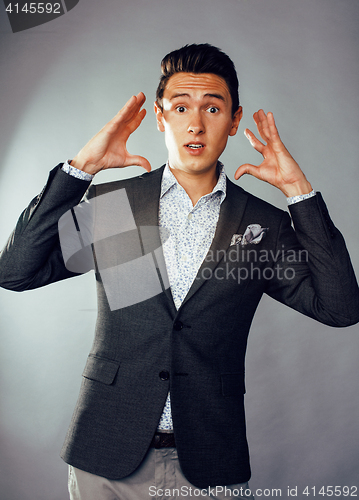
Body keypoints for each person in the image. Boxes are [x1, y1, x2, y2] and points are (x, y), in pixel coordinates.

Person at [0, 44, 358, 500]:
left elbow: (341, 307)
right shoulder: (119, 207)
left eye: (212, 107)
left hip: (210, 463)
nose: (196, 122)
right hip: (105, 458)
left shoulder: (263, 226)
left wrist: (298, 192)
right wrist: (81, 169)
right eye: (181, 106)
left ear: (233, 120)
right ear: (159, 116)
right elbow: (15, 272)